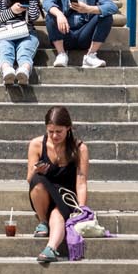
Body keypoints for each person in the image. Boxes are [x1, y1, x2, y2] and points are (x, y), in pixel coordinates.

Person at [26, 104, 98, 264]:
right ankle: (42, 222)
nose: (54, 136)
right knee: (37, 182)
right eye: (50, 131)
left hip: (66, 195)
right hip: (43, 192)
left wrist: (81, 208)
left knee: (57, 214)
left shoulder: (80, 148)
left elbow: (81, 182)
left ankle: (50, 248)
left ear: (68, 128)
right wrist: (36, 170)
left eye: (59, 131)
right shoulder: (36, 144)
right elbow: (29, 179)